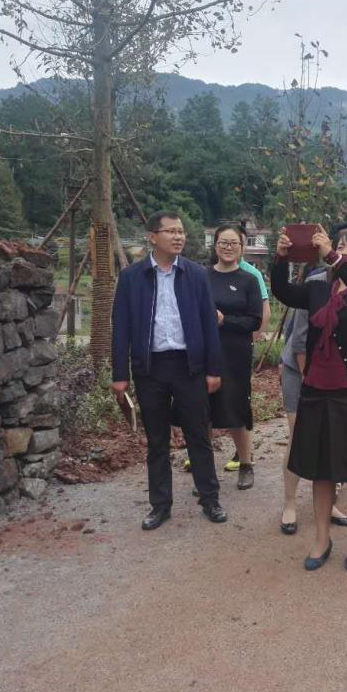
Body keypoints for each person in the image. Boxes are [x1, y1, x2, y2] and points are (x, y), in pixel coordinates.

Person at [272, 225, 347, 571]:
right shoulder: (319, 286)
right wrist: (281, 258)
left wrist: (334, 258)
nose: (344, 251)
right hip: (317, 390)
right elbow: (283, 292)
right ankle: (322, 538)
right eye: (340, 245)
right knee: (320, 469)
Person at [111, 211, 227, 530]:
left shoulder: (195, 274)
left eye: (181, 232)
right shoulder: (131, 277)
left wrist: (213, 369)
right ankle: (160, 505)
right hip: (150, 368)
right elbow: (121, 328)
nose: (178, 237)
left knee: (198, 435)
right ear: (152, 236)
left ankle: (210, 498)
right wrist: (120, 375)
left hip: (189, 366)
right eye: (171, 231)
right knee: (157, 440)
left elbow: (208, 324)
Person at [277, 305, 347, 534]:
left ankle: (328, 504)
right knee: (298, 435)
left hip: (336, 372)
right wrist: (308, 381)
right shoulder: (313, 291)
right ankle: (290, 504)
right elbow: (300, 341)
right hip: (300, 370)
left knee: (331, 438)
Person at [206, 224, 264, 490]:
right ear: (215, 245)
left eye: (234, 243)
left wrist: (224, 320)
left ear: (242, 248)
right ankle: (205, 469)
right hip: (205, 352)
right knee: (203, 411)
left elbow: (254, 321)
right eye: (223, 242)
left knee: (236, 409)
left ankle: (246, 464)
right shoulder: (202, 277)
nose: (228, 247)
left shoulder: (249, 280)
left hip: (236, 354)